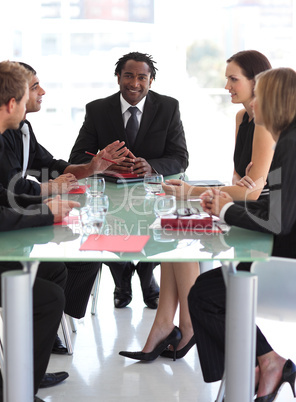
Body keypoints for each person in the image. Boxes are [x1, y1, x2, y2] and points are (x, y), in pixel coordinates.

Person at [119, 50, 274, 362]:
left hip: (258, 217)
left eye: (234, 79)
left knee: (181, 230)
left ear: (256, 82)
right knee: (172, 227)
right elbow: (239, 179)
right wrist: (212, 193)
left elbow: (253, 191)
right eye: (227, 78)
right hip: (242, 206)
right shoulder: (242, 117)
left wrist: (192, 192)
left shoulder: (265, 121)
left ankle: (185, 327)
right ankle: (166, 323)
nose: (227, 85)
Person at [189, 67, 296, 401]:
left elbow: (278, 221)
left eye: (259, 96)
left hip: (286, 267)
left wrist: (225, 211)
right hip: (282, 255)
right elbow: (278, 211)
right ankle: (268, 362)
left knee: (205, 295)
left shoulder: (289, 145)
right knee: (209, 290)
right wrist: (227, 208)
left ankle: (259, 366)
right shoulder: (289, 140)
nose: (254, 104)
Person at [0, 62, 128, 324]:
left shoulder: (24, 129)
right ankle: (51, 318)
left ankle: (54, 321)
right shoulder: (1, 135)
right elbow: (11, 188)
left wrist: (93, 167)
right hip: (10, 224)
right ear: (15, 97)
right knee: (81, 255)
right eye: (34, 87)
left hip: (19, 215)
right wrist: (49, 193)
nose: (42, 92)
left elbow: (51, 166)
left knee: (87, 253)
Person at [69, 51, 189, 310]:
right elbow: (77, 156)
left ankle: (145, 273)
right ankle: (121, 272)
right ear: (118, 77)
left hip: (152, 195)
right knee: (100, 227)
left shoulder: (169, 107)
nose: (135, 83)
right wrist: (103, 162)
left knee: (164, 228)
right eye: (128, 76)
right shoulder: (98, 109)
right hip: (109, 194)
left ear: (151, 80)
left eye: (142, 77)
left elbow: (180, 158)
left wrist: (152, 166)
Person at [0, 61, 80, 401]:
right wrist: (46, 214)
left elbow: (0, 195)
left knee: (54, 270)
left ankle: (14, 381)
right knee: (48, 298)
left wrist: (47, 206)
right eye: (29, 92)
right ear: (13, 103)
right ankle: (18, 393)